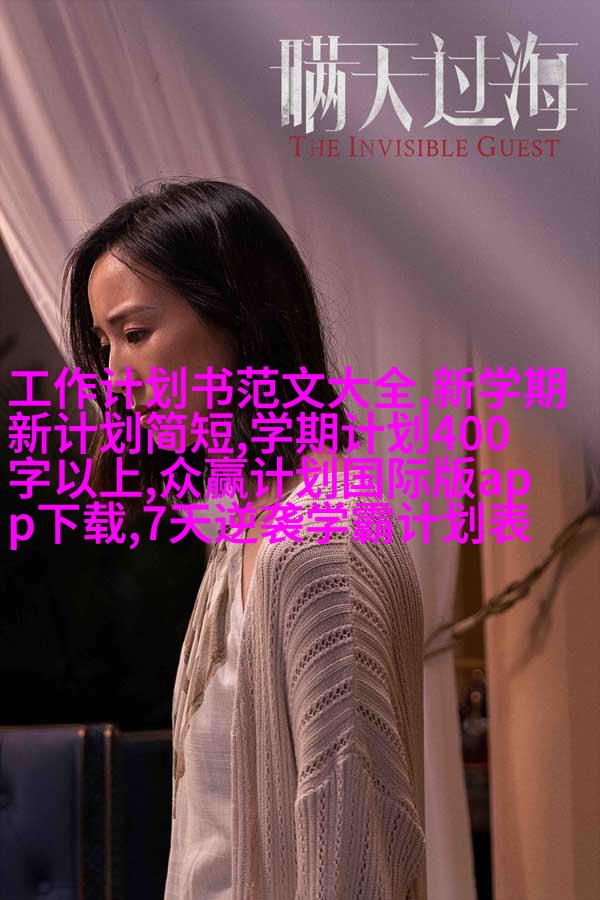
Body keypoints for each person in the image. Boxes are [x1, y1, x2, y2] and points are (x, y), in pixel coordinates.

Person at [62, 178, 427, 900]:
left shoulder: (321, 545)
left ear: (239, 318)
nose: (115, 378)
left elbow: (354, 852)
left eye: (135, 334)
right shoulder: (243, 532)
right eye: (104, 344)